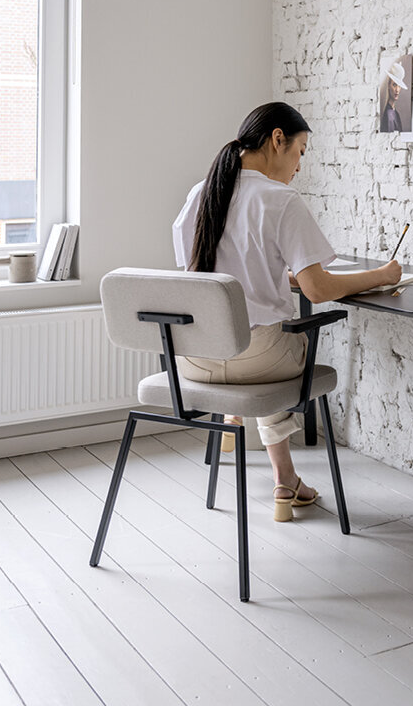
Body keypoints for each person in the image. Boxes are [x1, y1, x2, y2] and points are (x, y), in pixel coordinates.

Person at [172, 102, 401, 521]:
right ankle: (282, 477)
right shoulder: (279, 199)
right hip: (256, 361)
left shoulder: (200, 193)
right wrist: (381, 275)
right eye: (300, 151)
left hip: (194, 359)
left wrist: (279, 279)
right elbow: (320, 288)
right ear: (278, 140)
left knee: (255, 339)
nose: (298, 165)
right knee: (282, 342)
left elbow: (201, 279)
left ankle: (266, 456)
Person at [379, 61, 408, 132]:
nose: (397, 90)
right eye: (394, 85)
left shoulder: (395, 113)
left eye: (399, 86)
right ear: (389, 86)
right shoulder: (389, 114)